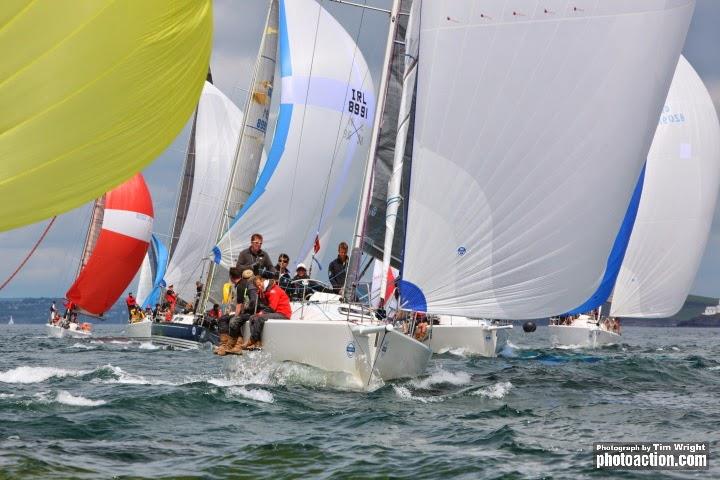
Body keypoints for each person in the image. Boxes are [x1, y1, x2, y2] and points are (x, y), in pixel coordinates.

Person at [243, 274, 291, 351]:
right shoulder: (265, 290)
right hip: (276, 312)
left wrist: (261, 313)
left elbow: (272, 308)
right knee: (252, 317)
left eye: (260, 284)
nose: (259, 287)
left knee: (260, 318)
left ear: (263, 281)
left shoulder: (273, 290)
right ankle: (257, 342)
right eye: (257, 286)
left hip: (283, 314)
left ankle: (252, 340)